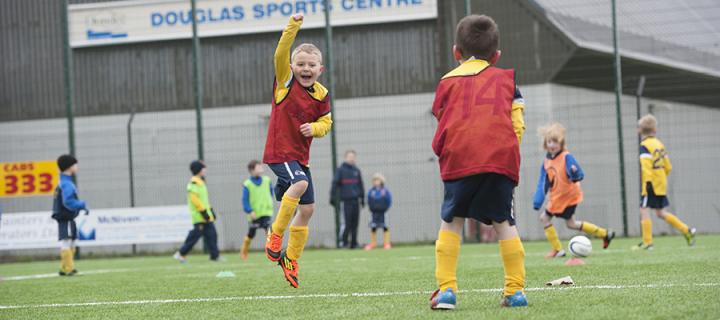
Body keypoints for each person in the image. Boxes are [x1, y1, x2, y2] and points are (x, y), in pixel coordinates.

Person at [429, 14, 528, 310]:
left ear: (455, 52)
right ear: (496, 56)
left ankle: (447, 291)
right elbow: (518, 125)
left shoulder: (446, 81)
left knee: (452, 221)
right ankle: (515, 291)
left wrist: (444, 150)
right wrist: (505, 151)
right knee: (504, 222)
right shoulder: (508, 79)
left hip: (460, 157)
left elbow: (443, 119)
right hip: (500, 158)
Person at [263, 13, 333, 288]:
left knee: (309, 209)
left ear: (320, 69)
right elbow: (281, 50)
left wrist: (314, 128)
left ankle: (290, 258)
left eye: (311, 64)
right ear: (291, 66)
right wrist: (293, 26)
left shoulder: (321, 94)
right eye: (300, 63)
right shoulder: (285, 82)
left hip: (300, 156)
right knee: (300, 183)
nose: (305, 68)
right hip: (280, 151)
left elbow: (326, 122)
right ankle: (275, 234)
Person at [532, 122, 615, 258]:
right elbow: (543, 182)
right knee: (571, 224)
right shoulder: (546, 162)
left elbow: (576, 172)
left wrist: (574, 173)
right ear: (545, 144)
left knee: (545, 218)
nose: (552, 145)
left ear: (562, 143)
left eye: (555, 142)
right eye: (549, 142)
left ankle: (558, 250)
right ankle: (605, 234)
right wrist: (538, 199)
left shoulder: (566, 156)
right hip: (558, 196)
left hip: (567, 196)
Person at [634, 114, 696, 250]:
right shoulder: (659, 144)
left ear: (640, 130)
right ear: (655, 130)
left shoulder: (644, 145)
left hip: (650, 184)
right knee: (660, 213)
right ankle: (687, 231)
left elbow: (646, 166)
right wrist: (661, 178)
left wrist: (648, 183)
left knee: (644, 209)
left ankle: (647, 242)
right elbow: (668, 166)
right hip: (661, 182)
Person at [173, 160, 221, 262]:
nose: (205, 170)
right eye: (203, 168)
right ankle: (181, 253)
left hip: (206, 216)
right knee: (194, 237)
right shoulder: (194, 182)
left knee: (212, 235)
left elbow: (204, 200)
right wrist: (203, 212)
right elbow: (195, 199)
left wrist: (211, 211)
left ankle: (214, 256)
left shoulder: (201, 182)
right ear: (198, 169)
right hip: (199, 216)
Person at [52, 154, 88, 276]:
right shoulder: (67, 184)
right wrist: (81, 204)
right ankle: (68, 268)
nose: (77, 166)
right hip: (66, 217)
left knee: (72, 240)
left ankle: (64, 268)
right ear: (69, 167)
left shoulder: (64, 182)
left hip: (68, 217)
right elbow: (68, 201)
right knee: (66, 241)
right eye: (75, 164)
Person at [240, 160, 274, 260]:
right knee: (251, 234)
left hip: (266, 212)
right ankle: (244, 252)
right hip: (254, 214)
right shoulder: (247, 184)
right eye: (258, 167)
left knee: (269, 232)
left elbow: (271, 194)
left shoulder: (267, 180)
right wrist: (249, 211)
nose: (261, 168)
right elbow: (245, 200)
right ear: (251, 170)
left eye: (261, 166)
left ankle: (270, 252)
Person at [331, 150, 365, 249]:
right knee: (346, 222)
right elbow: (335, 184)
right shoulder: (341, 170)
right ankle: (343, 242)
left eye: (353, 157)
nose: (352, 158)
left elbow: (360, 185)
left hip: (356, 201)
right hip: (345, 201)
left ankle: (354, 243)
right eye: (350, 156)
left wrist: (362, 198)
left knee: (355, 223)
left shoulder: (357, 170)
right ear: (345, 158)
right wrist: (332, 197)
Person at [364, 173, 392, 251]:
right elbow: (369, 200)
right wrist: (371, 208)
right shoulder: (371, 191)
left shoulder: (385, 191)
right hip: (374, 212)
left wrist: (385, 208)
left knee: (385, 226)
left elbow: (389, 200)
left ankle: (386, 243)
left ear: (381, 181)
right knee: (373, 227)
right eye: (374, 180)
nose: (376, 182)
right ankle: (373, 243)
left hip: (383, 212)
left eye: (378, 180)